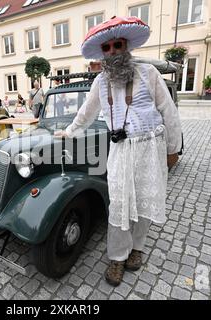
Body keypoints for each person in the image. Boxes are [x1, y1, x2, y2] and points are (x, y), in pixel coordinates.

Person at [55, 16, 182, 287]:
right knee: (120, 205)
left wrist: (173, 149)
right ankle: (117, 257)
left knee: (145, 201)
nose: (112, 51)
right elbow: (85, 113)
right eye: (107, 48)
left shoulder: (149, 73)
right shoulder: (100, 82)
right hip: (121, 150)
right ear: (102, 52)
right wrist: (68, 133)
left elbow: (168, 111)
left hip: (150, 147)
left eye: (117, 45)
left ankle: (137, 248)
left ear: (127, 46)